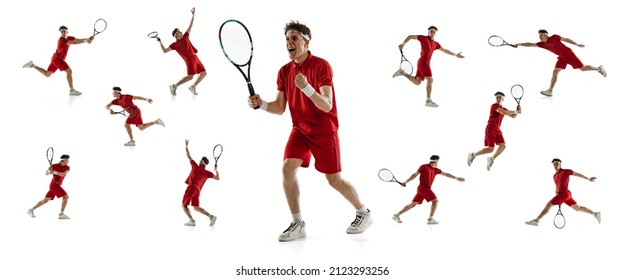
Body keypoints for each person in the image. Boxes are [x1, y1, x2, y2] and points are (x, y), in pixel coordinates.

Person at [248, 20, 372, 242]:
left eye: (294, 38)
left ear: (306, 42)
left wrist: (305, 87)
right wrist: (262, 104)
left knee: (334, 180)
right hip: (300, 130)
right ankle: (298, 223)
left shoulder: (321, 65)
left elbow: (327, 104)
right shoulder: (284, 71)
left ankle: (364, 213)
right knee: (287, 168)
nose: (289, 43)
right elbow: (279, 108)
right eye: (286, 39)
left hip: (324, 130)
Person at [513, 30, 606, 97]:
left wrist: (577, 44)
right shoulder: (542, 44)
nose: (539, 37)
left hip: (569, 54)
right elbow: (530, 44)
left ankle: (599, 68)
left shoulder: (554, 37)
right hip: (562, 58)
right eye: (539, 36)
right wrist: (519, 44)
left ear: (546, 35)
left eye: (541, 35)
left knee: (582, 68)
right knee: (555, 72)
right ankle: (550, 90)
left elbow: (566, 39)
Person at [393, 26, 464, 107]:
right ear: (428, 32)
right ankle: (428, 100)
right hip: (423, 62)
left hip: (424, 63)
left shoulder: (435, 44)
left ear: (435, 34)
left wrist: (456, 55)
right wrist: (403, 44)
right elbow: (410, 36)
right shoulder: (423, 38)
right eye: (431, 31)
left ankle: (402, 72)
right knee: (430, 80)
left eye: (434, 32)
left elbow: (445, 50)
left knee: (417, 82)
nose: (432, 33)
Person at [525, 158, 601, 226]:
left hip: (565, 193)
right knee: (577, 208)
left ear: (560, 164)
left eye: (557, 163)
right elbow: (557, 186)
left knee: (549, 205)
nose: (555, 165)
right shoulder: (554, 176)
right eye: (554, 164)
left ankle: (537, 220)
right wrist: (557, 196)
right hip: (564, 195)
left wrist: (588, 178)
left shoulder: (566, 171)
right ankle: (595, 213)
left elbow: (577, 174)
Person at [392, 155, 465, 225]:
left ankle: (396, 215)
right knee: (435, 201)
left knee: (413, 204)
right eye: (438, 161)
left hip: (422, 189)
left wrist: (457, 178)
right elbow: (414, 175)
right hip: (423, 188)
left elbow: (446, 174)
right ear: (435, 161)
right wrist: (405, 182)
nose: (438, 163)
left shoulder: (436, 170)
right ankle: (430, 219)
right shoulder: (424, 166)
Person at [23, 26, 94, 95]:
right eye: (61, 31)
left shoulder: (69, 38)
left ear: (67, 32)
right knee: (69, 71)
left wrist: (87, 39)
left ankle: (32, 65)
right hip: (57, 59)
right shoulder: (61, 40)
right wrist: (86, 41)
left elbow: (76, 40)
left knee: (47, 74)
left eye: (64, 31)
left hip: (55, 58)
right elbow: (74, 43)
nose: (63, 32)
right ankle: (71, 90)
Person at [156, 7, 206, 96]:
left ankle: (193, 86)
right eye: (178, 33)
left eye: (180, 32)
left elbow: (190, 26)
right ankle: (174, 86)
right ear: (176, 36)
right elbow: (165, 51)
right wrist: (160, 42)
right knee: (190, 77)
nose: (180, 33)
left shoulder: (186, 36)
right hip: (189, 60)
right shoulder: (174, 45)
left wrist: (193, 15)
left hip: (195, 57)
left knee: (204, 73)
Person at [467, 92, 521, 171]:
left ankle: (491, 159)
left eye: (500, 97)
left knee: (503, 146)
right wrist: (515, 111)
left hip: (497, 129)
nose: (498, 99)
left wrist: (518, 110)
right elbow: (504, 112)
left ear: (503, 99)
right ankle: (472, 155)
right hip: (491, 128)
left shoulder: (504, 108)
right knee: (490, 149)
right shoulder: (494, 106)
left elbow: (513, 116)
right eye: (497, 97)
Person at [182, 139, 220, 227]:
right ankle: (211, 217)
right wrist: (216, 170)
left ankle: (191, 221)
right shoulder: (207, 173)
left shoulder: (195, 166)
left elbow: (188, 155)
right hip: (197, 191)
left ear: (201, 161)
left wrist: (186, 145)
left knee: (184, 206)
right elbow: (218, 178)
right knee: (196, 207)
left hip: (191, 188)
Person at [27, 155, 72, 219]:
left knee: (45, 200)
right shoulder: (54, 165)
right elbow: (46, 173)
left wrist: (55, 172)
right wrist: (49, 171)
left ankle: (31, 210)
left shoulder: (67, 167)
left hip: (55, 186)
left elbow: (64, 174)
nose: (68, 162)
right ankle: (61, 214)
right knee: (66, 197)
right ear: (63, 160)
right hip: (54, 185)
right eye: (67, 160)